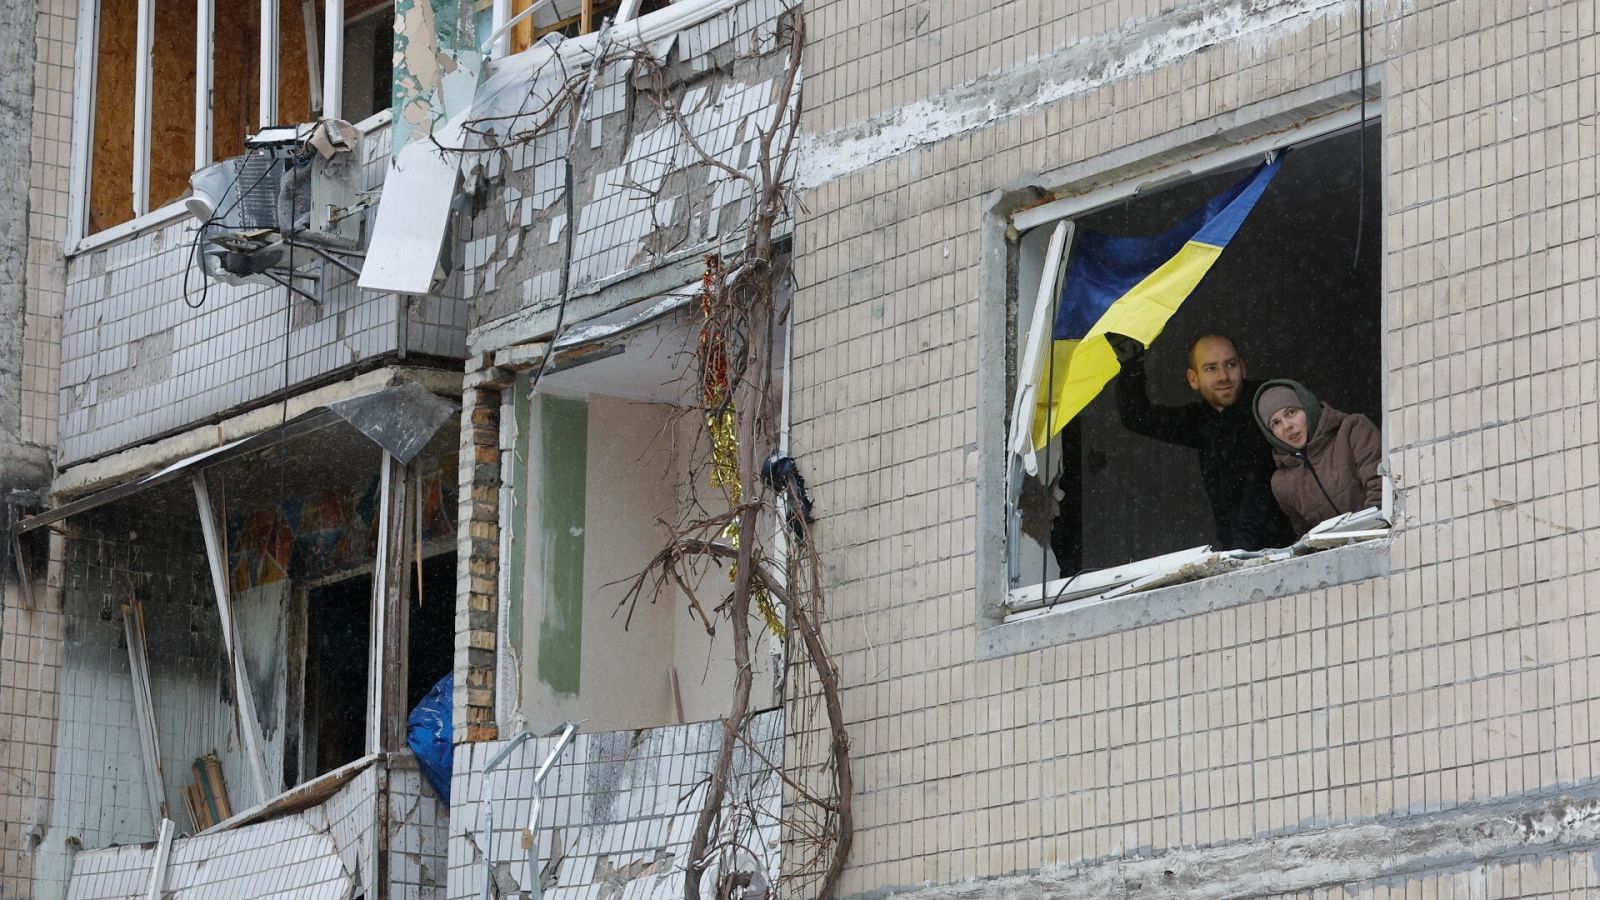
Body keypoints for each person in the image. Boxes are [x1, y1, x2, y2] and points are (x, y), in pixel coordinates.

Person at [1110, 333, 1296, 551]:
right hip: (1240, 552)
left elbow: (1260, 483)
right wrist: (1131, 365)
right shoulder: (1201, 420)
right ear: (1193, 379)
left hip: (1291, 545)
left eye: (1230, 364)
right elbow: (1138, 418)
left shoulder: (1268, 403)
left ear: (1243, 368)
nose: (1223, 376)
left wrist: (1241, 548)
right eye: (1211, 368)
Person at [1251, 379, 1383, 535]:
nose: (1287, 426)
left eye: (1291, 412)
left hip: (1383, 536)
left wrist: (1372, 533)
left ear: (1308, 407)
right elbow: (1307, 536)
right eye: (1276, 423)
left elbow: (1380, 487)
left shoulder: (1352, 430)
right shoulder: (1281, 483)